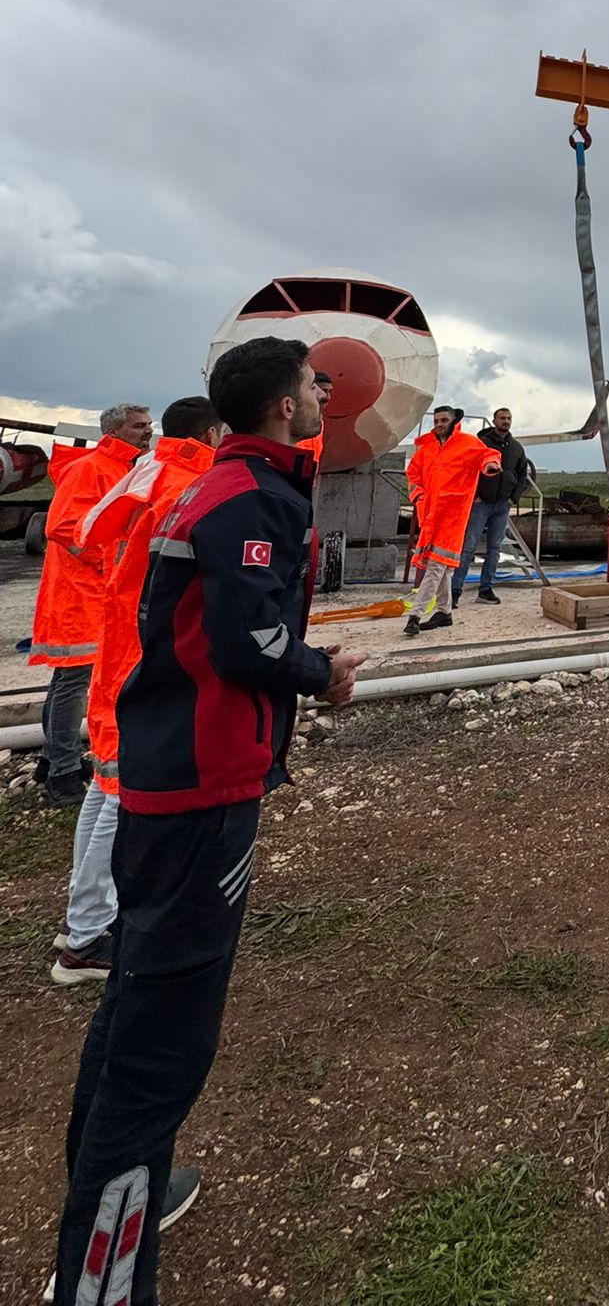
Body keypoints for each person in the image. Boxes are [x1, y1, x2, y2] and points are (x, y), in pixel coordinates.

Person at [49, 337, 364, 1306]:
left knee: (136, 998)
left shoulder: (225, 480)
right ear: (280, 403)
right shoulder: (249, 497)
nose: (326, 393)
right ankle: (101, 1277)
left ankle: (97, 1196)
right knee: (163, 1044)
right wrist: (324, 672)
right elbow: (248, 639)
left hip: (168, 765)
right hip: (199, 785)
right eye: (315, 382)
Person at [49, 397, 225, 988]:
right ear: (211, 432)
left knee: (105, 788)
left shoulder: (143, 473)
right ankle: (84, 940)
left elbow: (94, 537)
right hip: (141, 659)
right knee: (120, 797)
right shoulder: (189, 484)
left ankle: (84, 919)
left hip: (118, 646)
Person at [29, 404, 154, 807]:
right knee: (74, 684)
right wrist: (109, 561)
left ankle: (53, 761)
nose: (147, 432)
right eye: (138, 426)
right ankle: (62, 775)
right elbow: (61, 527)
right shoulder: (91, 469)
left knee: (69, 683)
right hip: (80, 596)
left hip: (96, 594)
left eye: (149, 425)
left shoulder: (122, 469)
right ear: (113, 431)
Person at [404, 405, 501, 636]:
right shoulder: (426, 448)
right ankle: (444, 612)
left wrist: (490, 466)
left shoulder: (467, 444)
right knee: (442, 568)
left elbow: (488, 454)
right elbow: (413, 474)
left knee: (436, 566)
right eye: (436, 420)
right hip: (429, 515)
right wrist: (418, 495)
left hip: (452, 517)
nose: (438, 424)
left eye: (443, 420)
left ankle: (415, 615)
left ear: (454, 420)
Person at [451, 407, 529, 607]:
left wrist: (513, 499)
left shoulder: (516, 448)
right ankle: (454, 590)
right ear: (494, 421)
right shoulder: (481, 444)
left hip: (502, 505)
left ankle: (486, 589)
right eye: (502, 418)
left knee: (494, 549)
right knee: (468, 547)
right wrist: (475, 495)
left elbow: (522, 476)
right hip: (481, 504)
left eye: (509, 418)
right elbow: (467, 470)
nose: (506, 421)